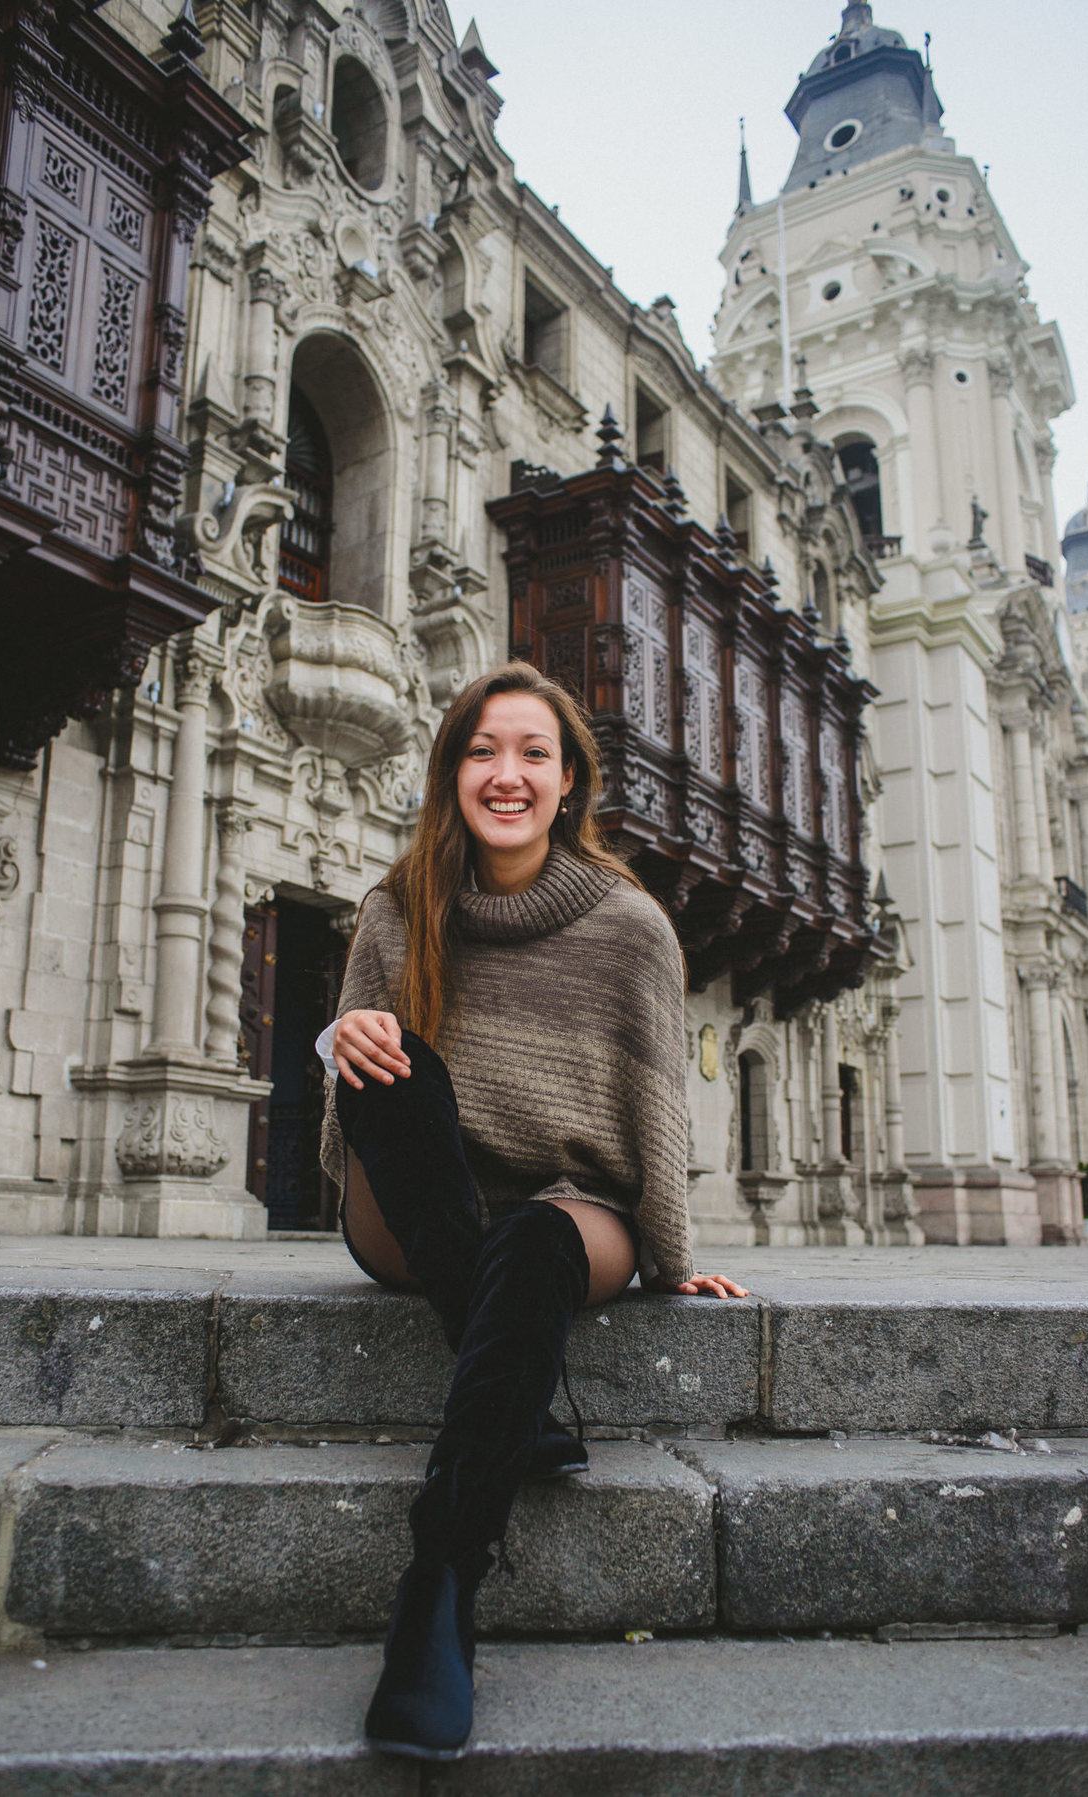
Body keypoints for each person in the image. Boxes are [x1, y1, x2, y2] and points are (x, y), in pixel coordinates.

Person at [319, 660, 749, 1760]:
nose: (505, 774)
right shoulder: (393, 905)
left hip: (569, 1210)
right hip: (419, 1212)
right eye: (481, 751)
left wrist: (670, 1258)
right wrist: (344, 1041)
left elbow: (657, 1106)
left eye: (532, 754)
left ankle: (441, 1586)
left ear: (569, 784)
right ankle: (512, 1378)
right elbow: (354, 1115)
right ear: (450, 772)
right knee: (391, 1061)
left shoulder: (629, 926)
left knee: (539, 1232)